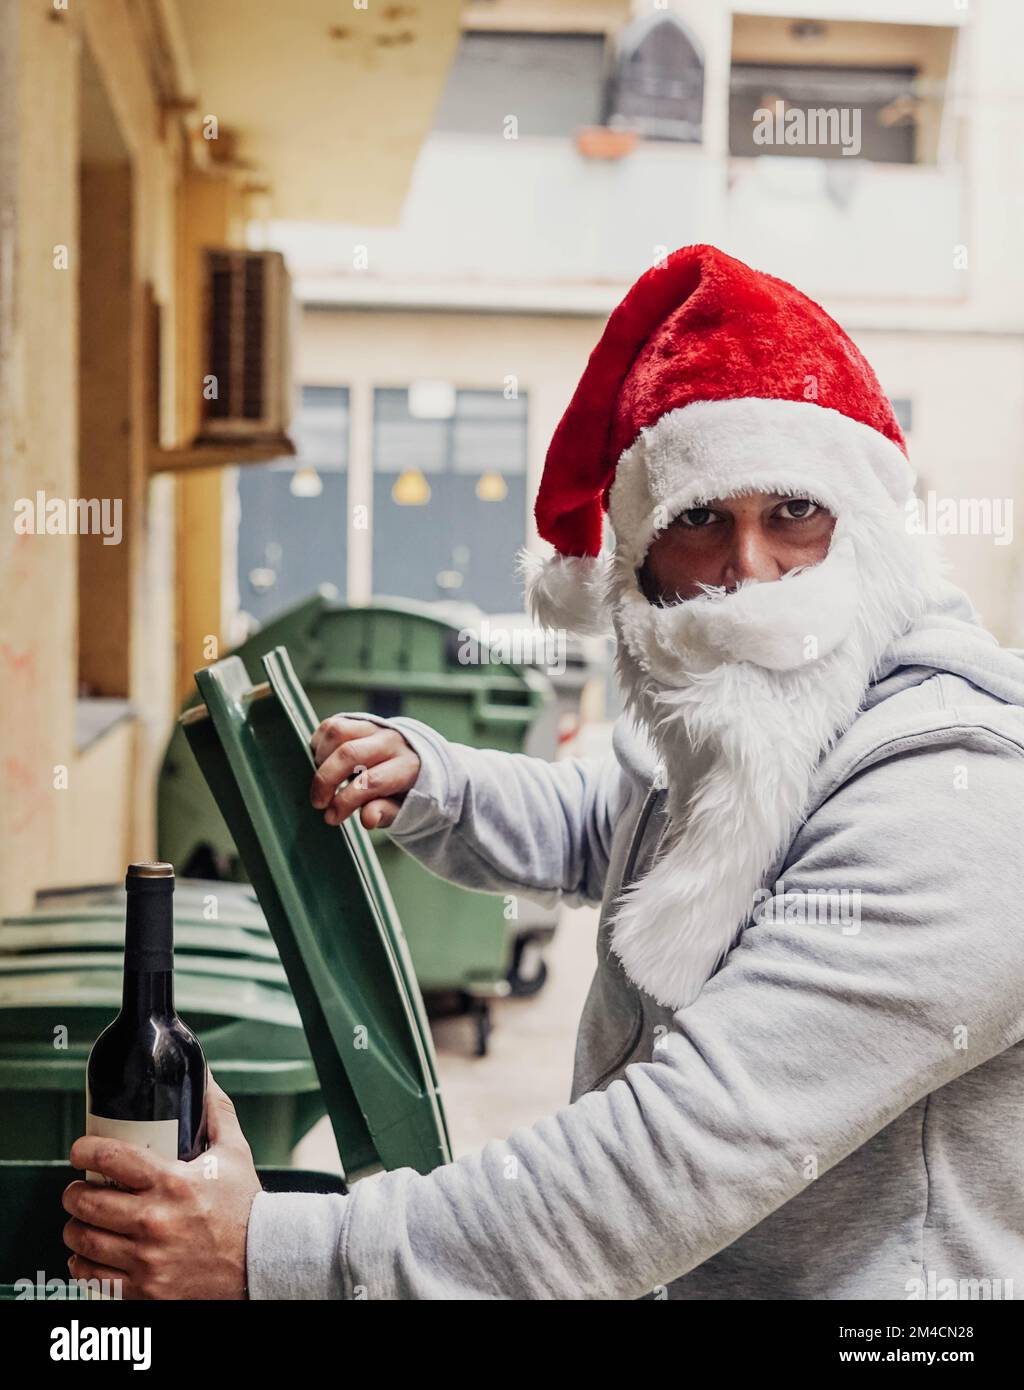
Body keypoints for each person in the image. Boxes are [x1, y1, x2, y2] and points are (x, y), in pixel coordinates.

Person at [64, 244, 1024, 1300]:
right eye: (700, 519)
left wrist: (272, 1253)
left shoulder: (953, 801)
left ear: (867, 530)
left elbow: (668, 1158)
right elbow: (618, 822)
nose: (748, 568)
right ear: (639, 564)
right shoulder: (756, 723)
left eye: (793, 510)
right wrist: (439, 782)